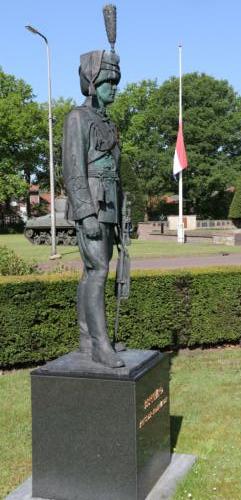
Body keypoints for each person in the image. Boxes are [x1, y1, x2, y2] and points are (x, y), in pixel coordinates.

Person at [63, 49, 124, 368]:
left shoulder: (108, 123)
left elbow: (117, 171)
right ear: (91, 81)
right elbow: (72, 168)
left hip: (110, 203)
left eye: (115, 81)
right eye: (107, 80)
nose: (113, 86)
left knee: (92, 272)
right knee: (98, 270)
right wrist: (85, 212)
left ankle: (88, 339)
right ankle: (101, 344)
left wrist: (125, 212)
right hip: (92, 204)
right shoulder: (77, 117)